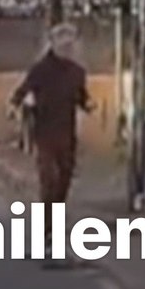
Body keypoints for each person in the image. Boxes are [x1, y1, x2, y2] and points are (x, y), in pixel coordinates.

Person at [9, 23, 93, 237]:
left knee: (64, 180)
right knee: (49, 180)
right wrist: (14, 106)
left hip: (67, 134)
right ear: (53, 43)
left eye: (70, 43)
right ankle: (45, 228)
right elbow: (22, 90)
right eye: (62, 42)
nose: (67, 47)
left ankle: (53, 224)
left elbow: (81, 96)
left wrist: (88, 104)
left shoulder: (77, 72)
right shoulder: (41, 69)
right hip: (44, 133)